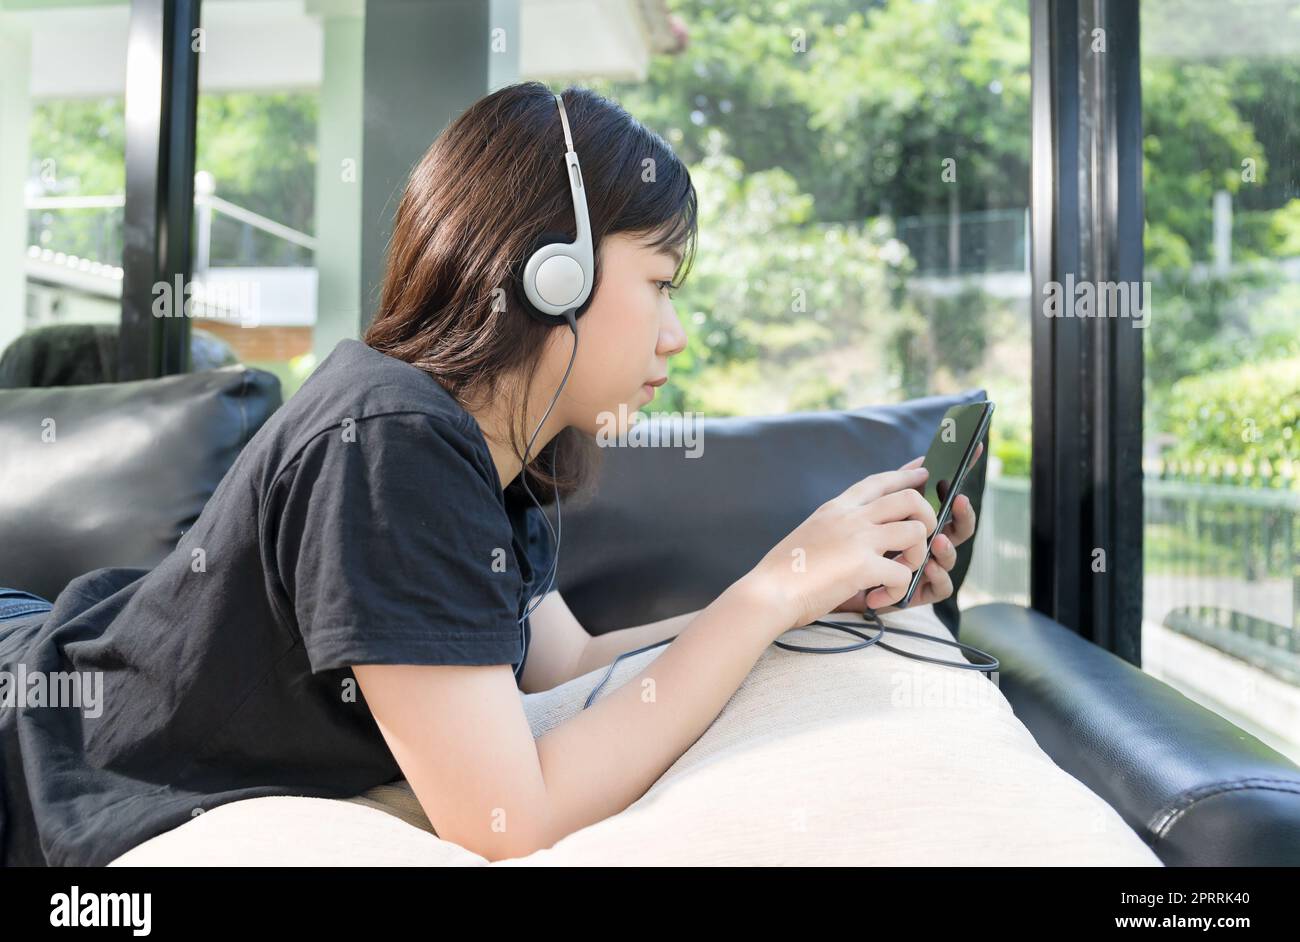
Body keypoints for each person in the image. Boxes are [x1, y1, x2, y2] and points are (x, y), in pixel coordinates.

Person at [0, 81, 977, 867]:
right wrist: (771, 587)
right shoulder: (389, 442)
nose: (676, 335)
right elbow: (511, 818)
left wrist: (807, 597)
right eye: (662, 284)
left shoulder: (493, 452)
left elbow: (571, 665)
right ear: (557, 270)